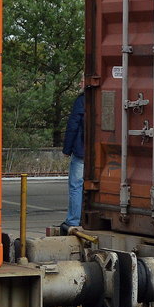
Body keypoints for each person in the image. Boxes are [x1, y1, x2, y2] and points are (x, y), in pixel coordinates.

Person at [61, 86, 85, 232]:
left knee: (76, 185)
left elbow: (73, 125)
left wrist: (67, 149)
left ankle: (74, 220)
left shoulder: (82, 100)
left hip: (81, 150)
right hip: (103, 153)